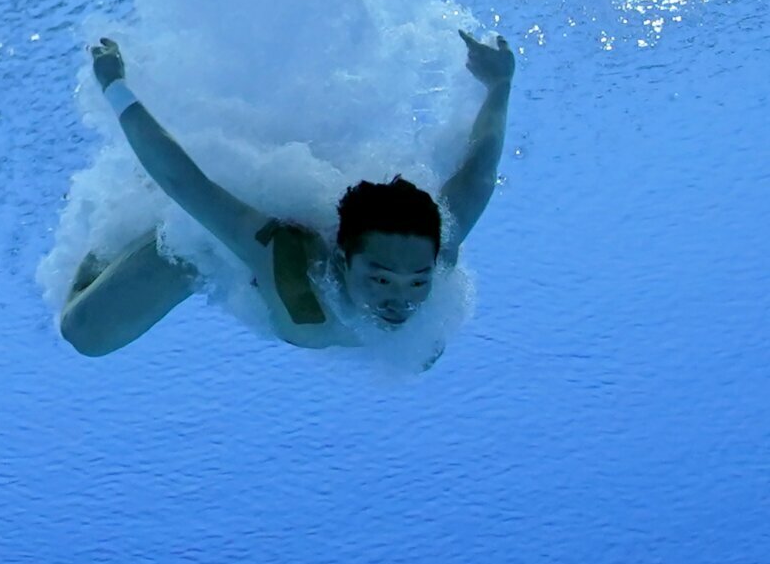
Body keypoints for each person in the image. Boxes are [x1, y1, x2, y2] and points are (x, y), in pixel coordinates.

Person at [59, 29, 514, 360]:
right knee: (84, 333)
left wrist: (500, 83)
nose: (402, 301)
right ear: (340, 261)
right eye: (380, 280)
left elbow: (478, 176)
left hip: (314, 245)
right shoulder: (288, 260)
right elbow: (185, 184)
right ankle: (132, 226)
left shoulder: (436, 258)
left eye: (417, 281)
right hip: (221, 247)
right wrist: (114, 85)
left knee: (425, 355)